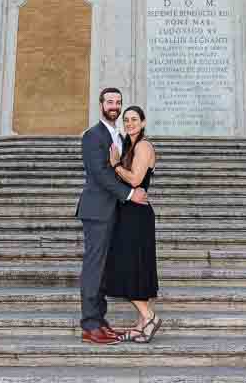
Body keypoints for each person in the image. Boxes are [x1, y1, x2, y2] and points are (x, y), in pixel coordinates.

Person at [76, 87, 149, 345]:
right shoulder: (93, 136)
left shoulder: (118, 135)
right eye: (109, 102)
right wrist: (130, 195)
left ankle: (101, 321)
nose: (114, 106)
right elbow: (100, 174)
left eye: (118, 102)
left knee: (104, 269)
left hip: (113, 212)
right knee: (94, 268)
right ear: (100, 104)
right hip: (97, 211)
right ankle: (89, 325)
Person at [105, 105, 160, 343]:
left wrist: (116, 165)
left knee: (126, 267)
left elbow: (136, 179)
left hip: (136, 215)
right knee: (137, 267)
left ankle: (150, 316)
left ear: (144, 122)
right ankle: (141, 325)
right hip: (129, 212)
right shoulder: (130, 145)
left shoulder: (144, 146)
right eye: (126, 120)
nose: (129, 123)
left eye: (134, 119)